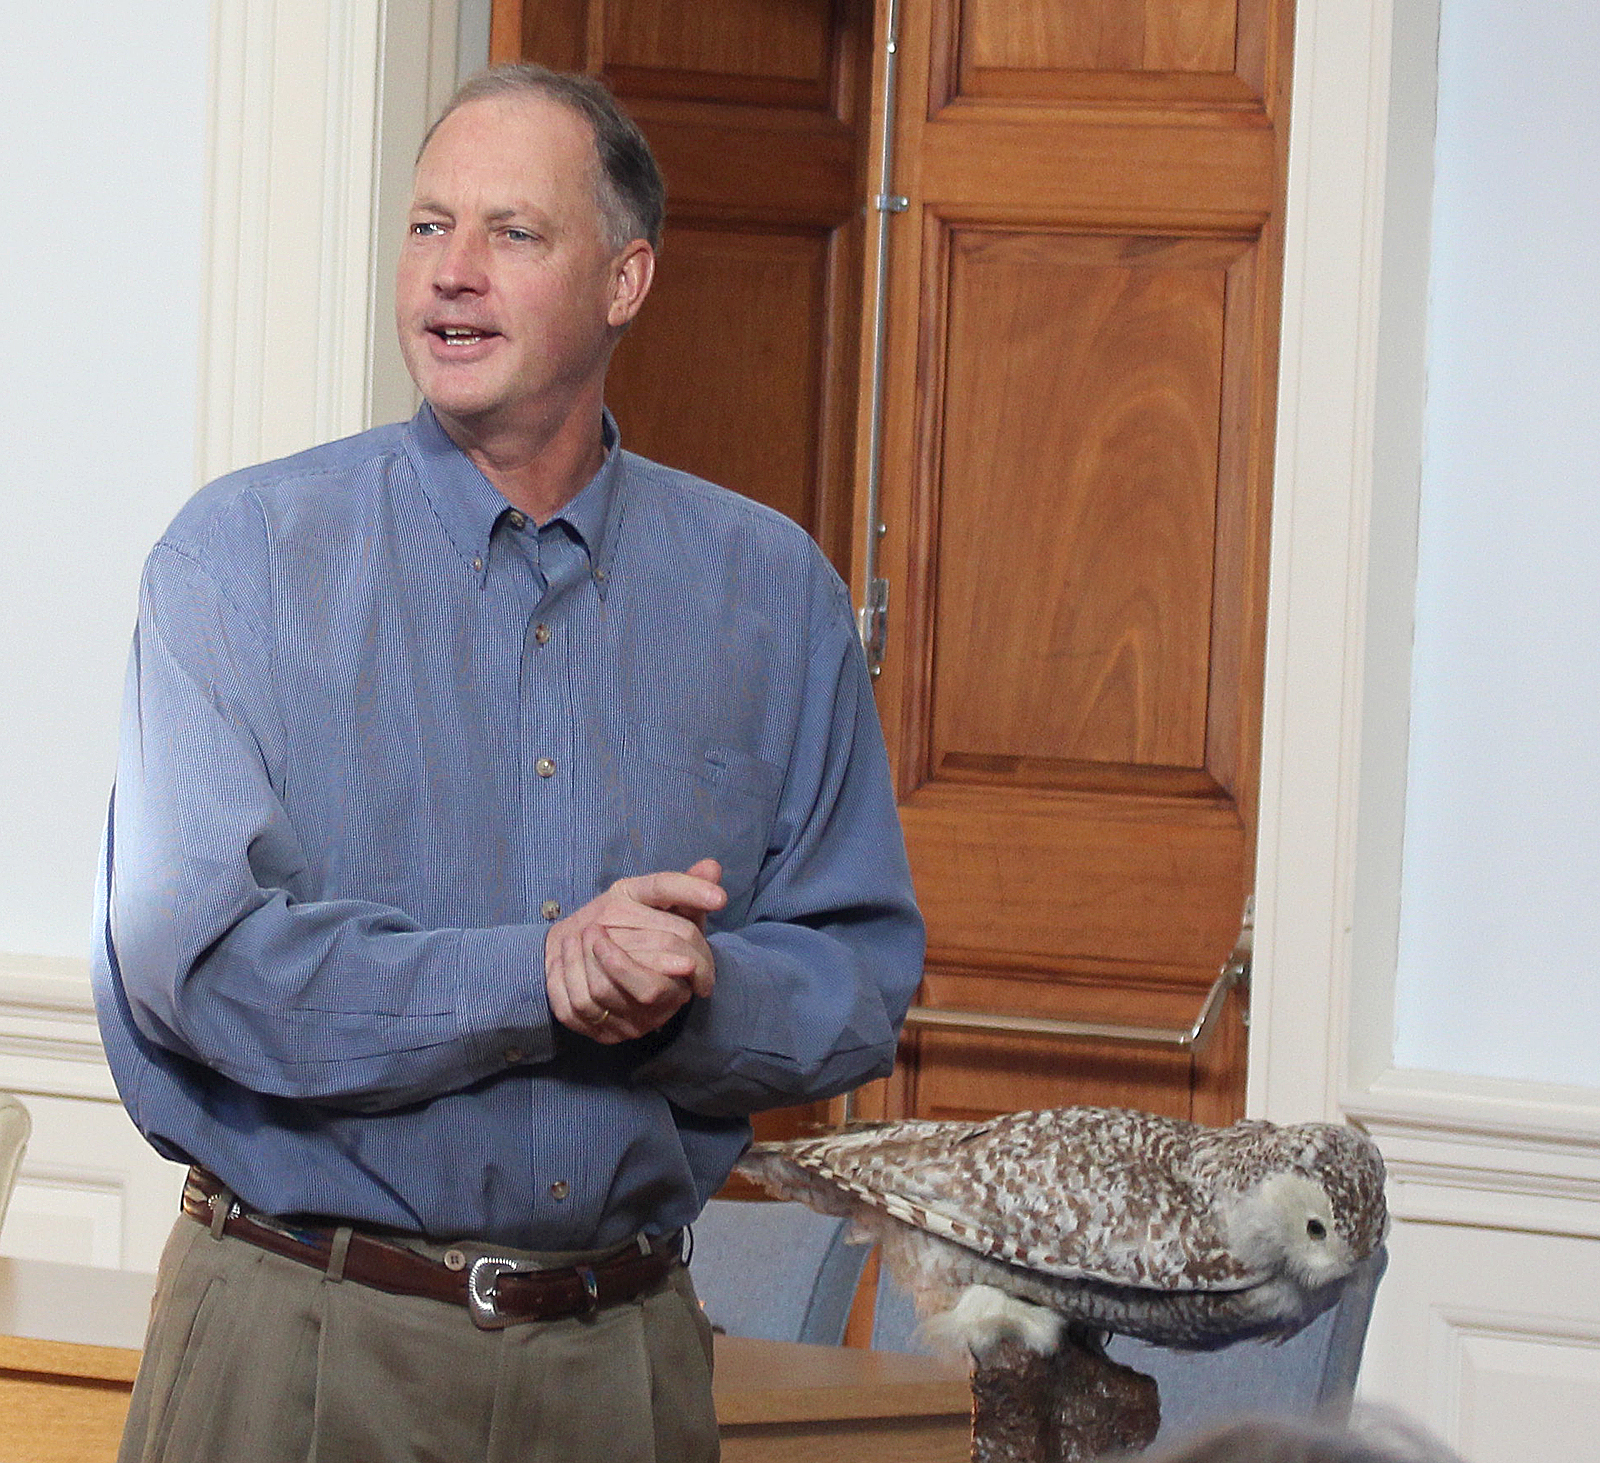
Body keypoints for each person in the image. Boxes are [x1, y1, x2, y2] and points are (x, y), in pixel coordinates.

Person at [92, 63, 923, 1463]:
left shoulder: (770, 592)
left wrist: (690, 992)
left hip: (623, 1366)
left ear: (625, 280)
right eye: (428, 226)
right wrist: (542, 977)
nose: (453, 273)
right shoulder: (239, 562)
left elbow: (857, 979)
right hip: (302, 1344)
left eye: (512, 233)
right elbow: (208, 968)